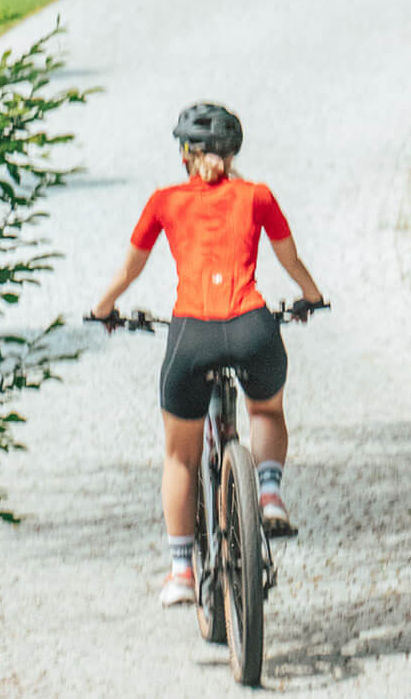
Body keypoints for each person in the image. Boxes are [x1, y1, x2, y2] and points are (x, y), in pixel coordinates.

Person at [92, 102, 327, 607]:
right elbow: (291, 259)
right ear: (233, 154)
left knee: (180, 455)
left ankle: (180, 571)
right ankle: (267, 494)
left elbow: (129, 271)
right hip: (252, 327)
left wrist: (105, 307)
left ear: (185, 155)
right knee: (265, 408)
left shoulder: (164, 202)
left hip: (192, 334)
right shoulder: (258, 196)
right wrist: (311, 297)